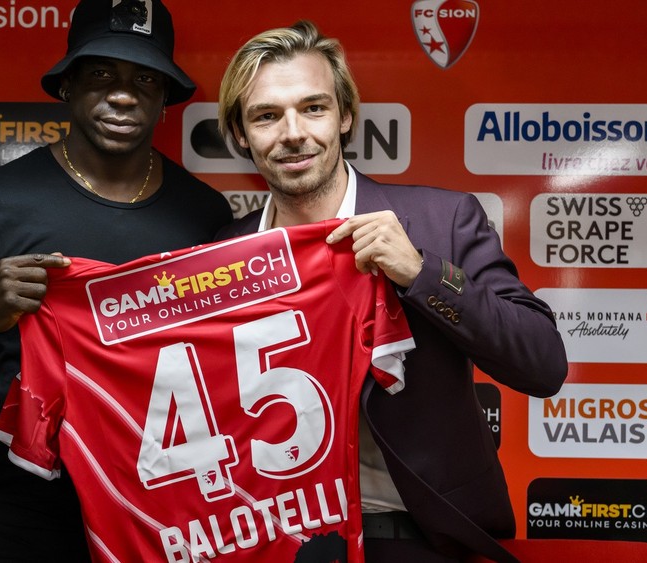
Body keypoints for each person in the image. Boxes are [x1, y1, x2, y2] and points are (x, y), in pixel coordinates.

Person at [216, 21, 568, 563]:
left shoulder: (441, 220)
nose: (292, 132)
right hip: (277, 540)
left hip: (417, 535)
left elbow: (543, 364)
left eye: (314, 108)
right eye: (266, 115)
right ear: (241, 133)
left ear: (345, 116)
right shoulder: (221, 259)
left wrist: (421, 273)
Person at [0, 0, 232, 560]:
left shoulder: (206, 216)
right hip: (15, 506)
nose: (124, 94)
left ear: (165, 99)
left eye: (145, 79)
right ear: (67, 86)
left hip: (156, 505)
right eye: (102, 73)